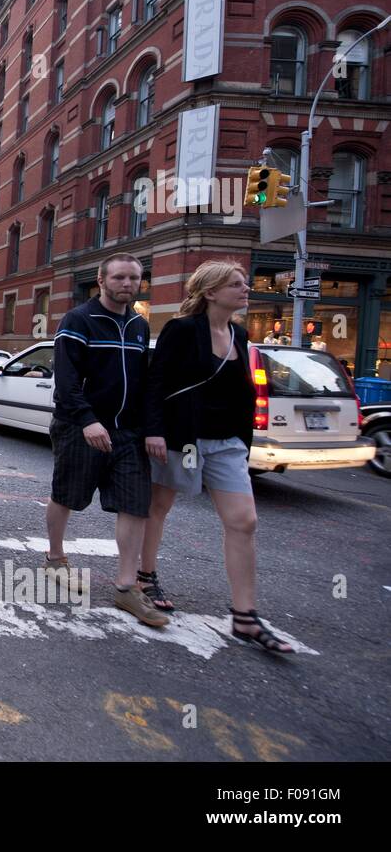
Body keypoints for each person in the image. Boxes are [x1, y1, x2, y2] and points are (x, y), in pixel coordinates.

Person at [143, 260, 297, 653]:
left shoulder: (238, 334)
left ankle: (245, 616)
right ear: (210, 292)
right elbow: (157, 381)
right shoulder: (181, 331)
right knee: (159, 507)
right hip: (184, 437)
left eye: (245, 283)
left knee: (244, 521)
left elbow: (241, 391)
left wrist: (244, 441)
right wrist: (155, 430)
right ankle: (145, 576)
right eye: (235, 284)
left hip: (226, 442)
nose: (245, 289)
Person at [45, 252, 167, 627]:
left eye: (134, 278)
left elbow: (144, 383)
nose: (128, 284)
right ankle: (55, 558)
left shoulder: (138, 325)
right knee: (67, 495)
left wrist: (151, 429)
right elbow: (65, 381)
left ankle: (126, 586)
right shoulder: (78, 320)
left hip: (128, 433)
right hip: (80, 427)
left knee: (135, 504)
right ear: (101, 281)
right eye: (119, 278)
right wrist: (87, 420)